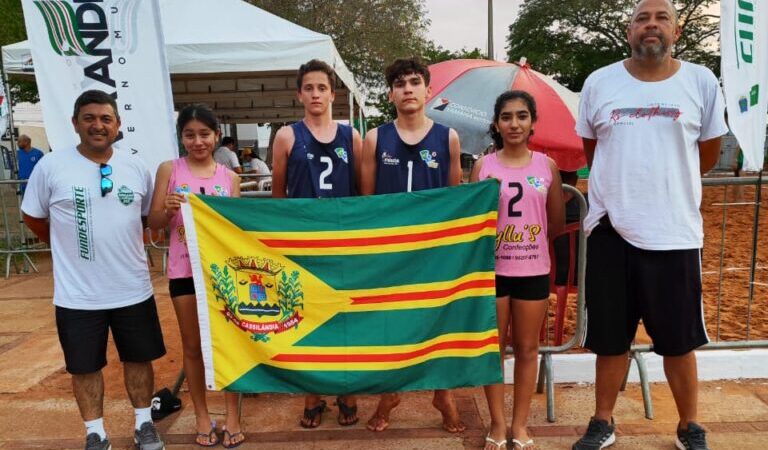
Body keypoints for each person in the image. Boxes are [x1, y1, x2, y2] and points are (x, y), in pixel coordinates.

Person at [572, 0, 727, 449]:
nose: (651, 25)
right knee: (610, 338)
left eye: (661, 18)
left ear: (676, 32)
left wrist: (664, 187)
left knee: (679, 341)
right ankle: (602, 421)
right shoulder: (600, 82)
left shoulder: (700, 80)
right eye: (642, 18)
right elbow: (592, 151)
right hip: (610, 231)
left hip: (674, 231)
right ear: (629, 31)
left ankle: (689, 426)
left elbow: (709, 153)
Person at [20, 90, 166, 450]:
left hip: (132, 288)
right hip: (77, 294)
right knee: (84, 367)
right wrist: (64, 245)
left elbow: (148, 219)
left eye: (105, 119)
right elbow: (33, 218)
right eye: (89, 118)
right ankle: (95, 432)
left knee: (138, 359)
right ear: (75, 123)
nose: (98, 125)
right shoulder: (52, 166)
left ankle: (144, 425)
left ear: (117, 125)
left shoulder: (135, 166)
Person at [359, 57, 464, 433]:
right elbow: (367, 202)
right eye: (400, 83)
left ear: (428, 90)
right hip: (391, 252)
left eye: (414, 82)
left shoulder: (448, 137)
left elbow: (456, 201)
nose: (407, 89)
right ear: (391, 93)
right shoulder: (375, 137)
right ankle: (390, 394)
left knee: (437, 324)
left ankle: (443, 394)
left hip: (433, 251)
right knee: (392, 325)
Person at [470, 91, 565, 450]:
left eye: (522, 116)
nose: (514, 123)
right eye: (507, 116)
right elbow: (474, 221)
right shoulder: (483, 166)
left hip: (533, 269)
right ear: (496, 123)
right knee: (493, 349)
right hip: (493, 271)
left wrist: (528, 243)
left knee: (528, 348)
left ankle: (520, 424)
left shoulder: (546, 166)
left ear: (532, 123)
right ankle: (496, 423)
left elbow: (555, 223)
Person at [271, 59, 362, 428]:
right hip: (303, 244)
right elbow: (279, 195)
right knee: (306, 318)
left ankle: (347, 388)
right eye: (308, 88)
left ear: (332, 94)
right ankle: (313, 393)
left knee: (345, 316)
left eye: (321, 88)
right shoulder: (287, 136)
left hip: (342, 244)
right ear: (299, 94)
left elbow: (361, 193)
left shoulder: (351, 136)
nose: (315, 94)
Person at [147, 104, 243, 448]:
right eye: (190, 134)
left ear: (216, 135)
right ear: (181, 137)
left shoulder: (230, 178)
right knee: (191, 346)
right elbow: (154, 223)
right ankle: (203, 415)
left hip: (222, 275)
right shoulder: (168, 170)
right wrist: (166, 209)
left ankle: (232, 415)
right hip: (184, 271)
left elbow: (235, 230)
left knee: (230, 345)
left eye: (204, 134)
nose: (198, 141)